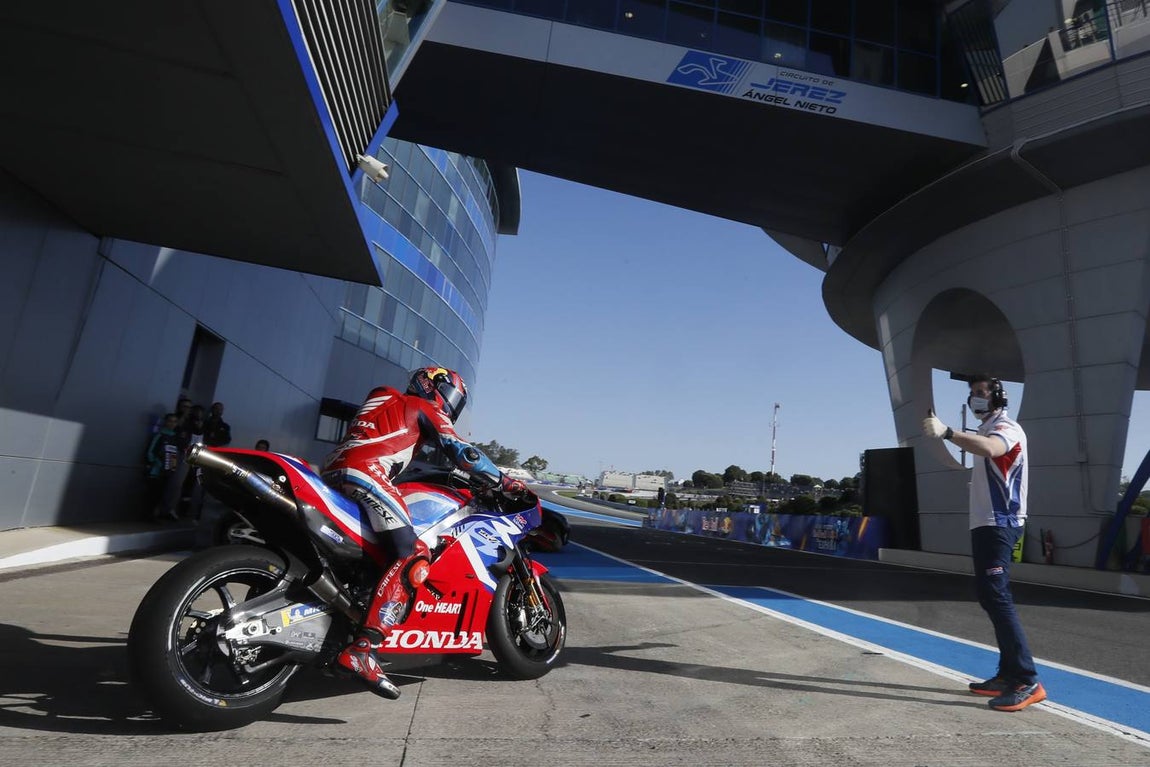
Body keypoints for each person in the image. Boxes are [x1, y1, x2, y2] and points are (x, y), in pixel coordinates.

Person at [322, 367, 535, 699]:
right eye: (450, 396)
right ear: (436, 387)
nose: (449, 405)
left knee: (377, 550)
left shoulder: (381, 398)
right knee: (414, 553)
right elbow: (464, 453)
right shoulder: (424, 407)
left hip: (332, 471)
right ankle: (366, 647)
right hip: (366, 472)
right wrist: (501, 479)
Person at [923, 375, 1046, 712]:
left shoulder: (1007, 427)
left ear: (998, 397)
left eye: (981, 393)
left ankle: (1027, 680)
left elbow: (992, 449)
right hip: (986, 523)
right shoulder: (986, 429)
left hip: (1000, 523)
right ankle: (1009, 675)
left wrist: (947, 432)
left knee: (997, 596)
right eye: (972, 393)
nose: (974, 398)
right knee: (990, 596)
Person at [146, 413, 182, 521]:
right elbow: (150, 452)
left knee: (162, 494)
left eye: (175, 421)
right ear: (165, 422)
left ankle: (157, 514)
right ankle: (149, 515)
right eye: (170, 421)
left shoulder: (175, 438)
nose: (172, 423)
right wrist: (156, 463)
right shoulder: (160, 435)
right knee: (153, 494)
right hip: (157, 471)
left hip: (168, 471)